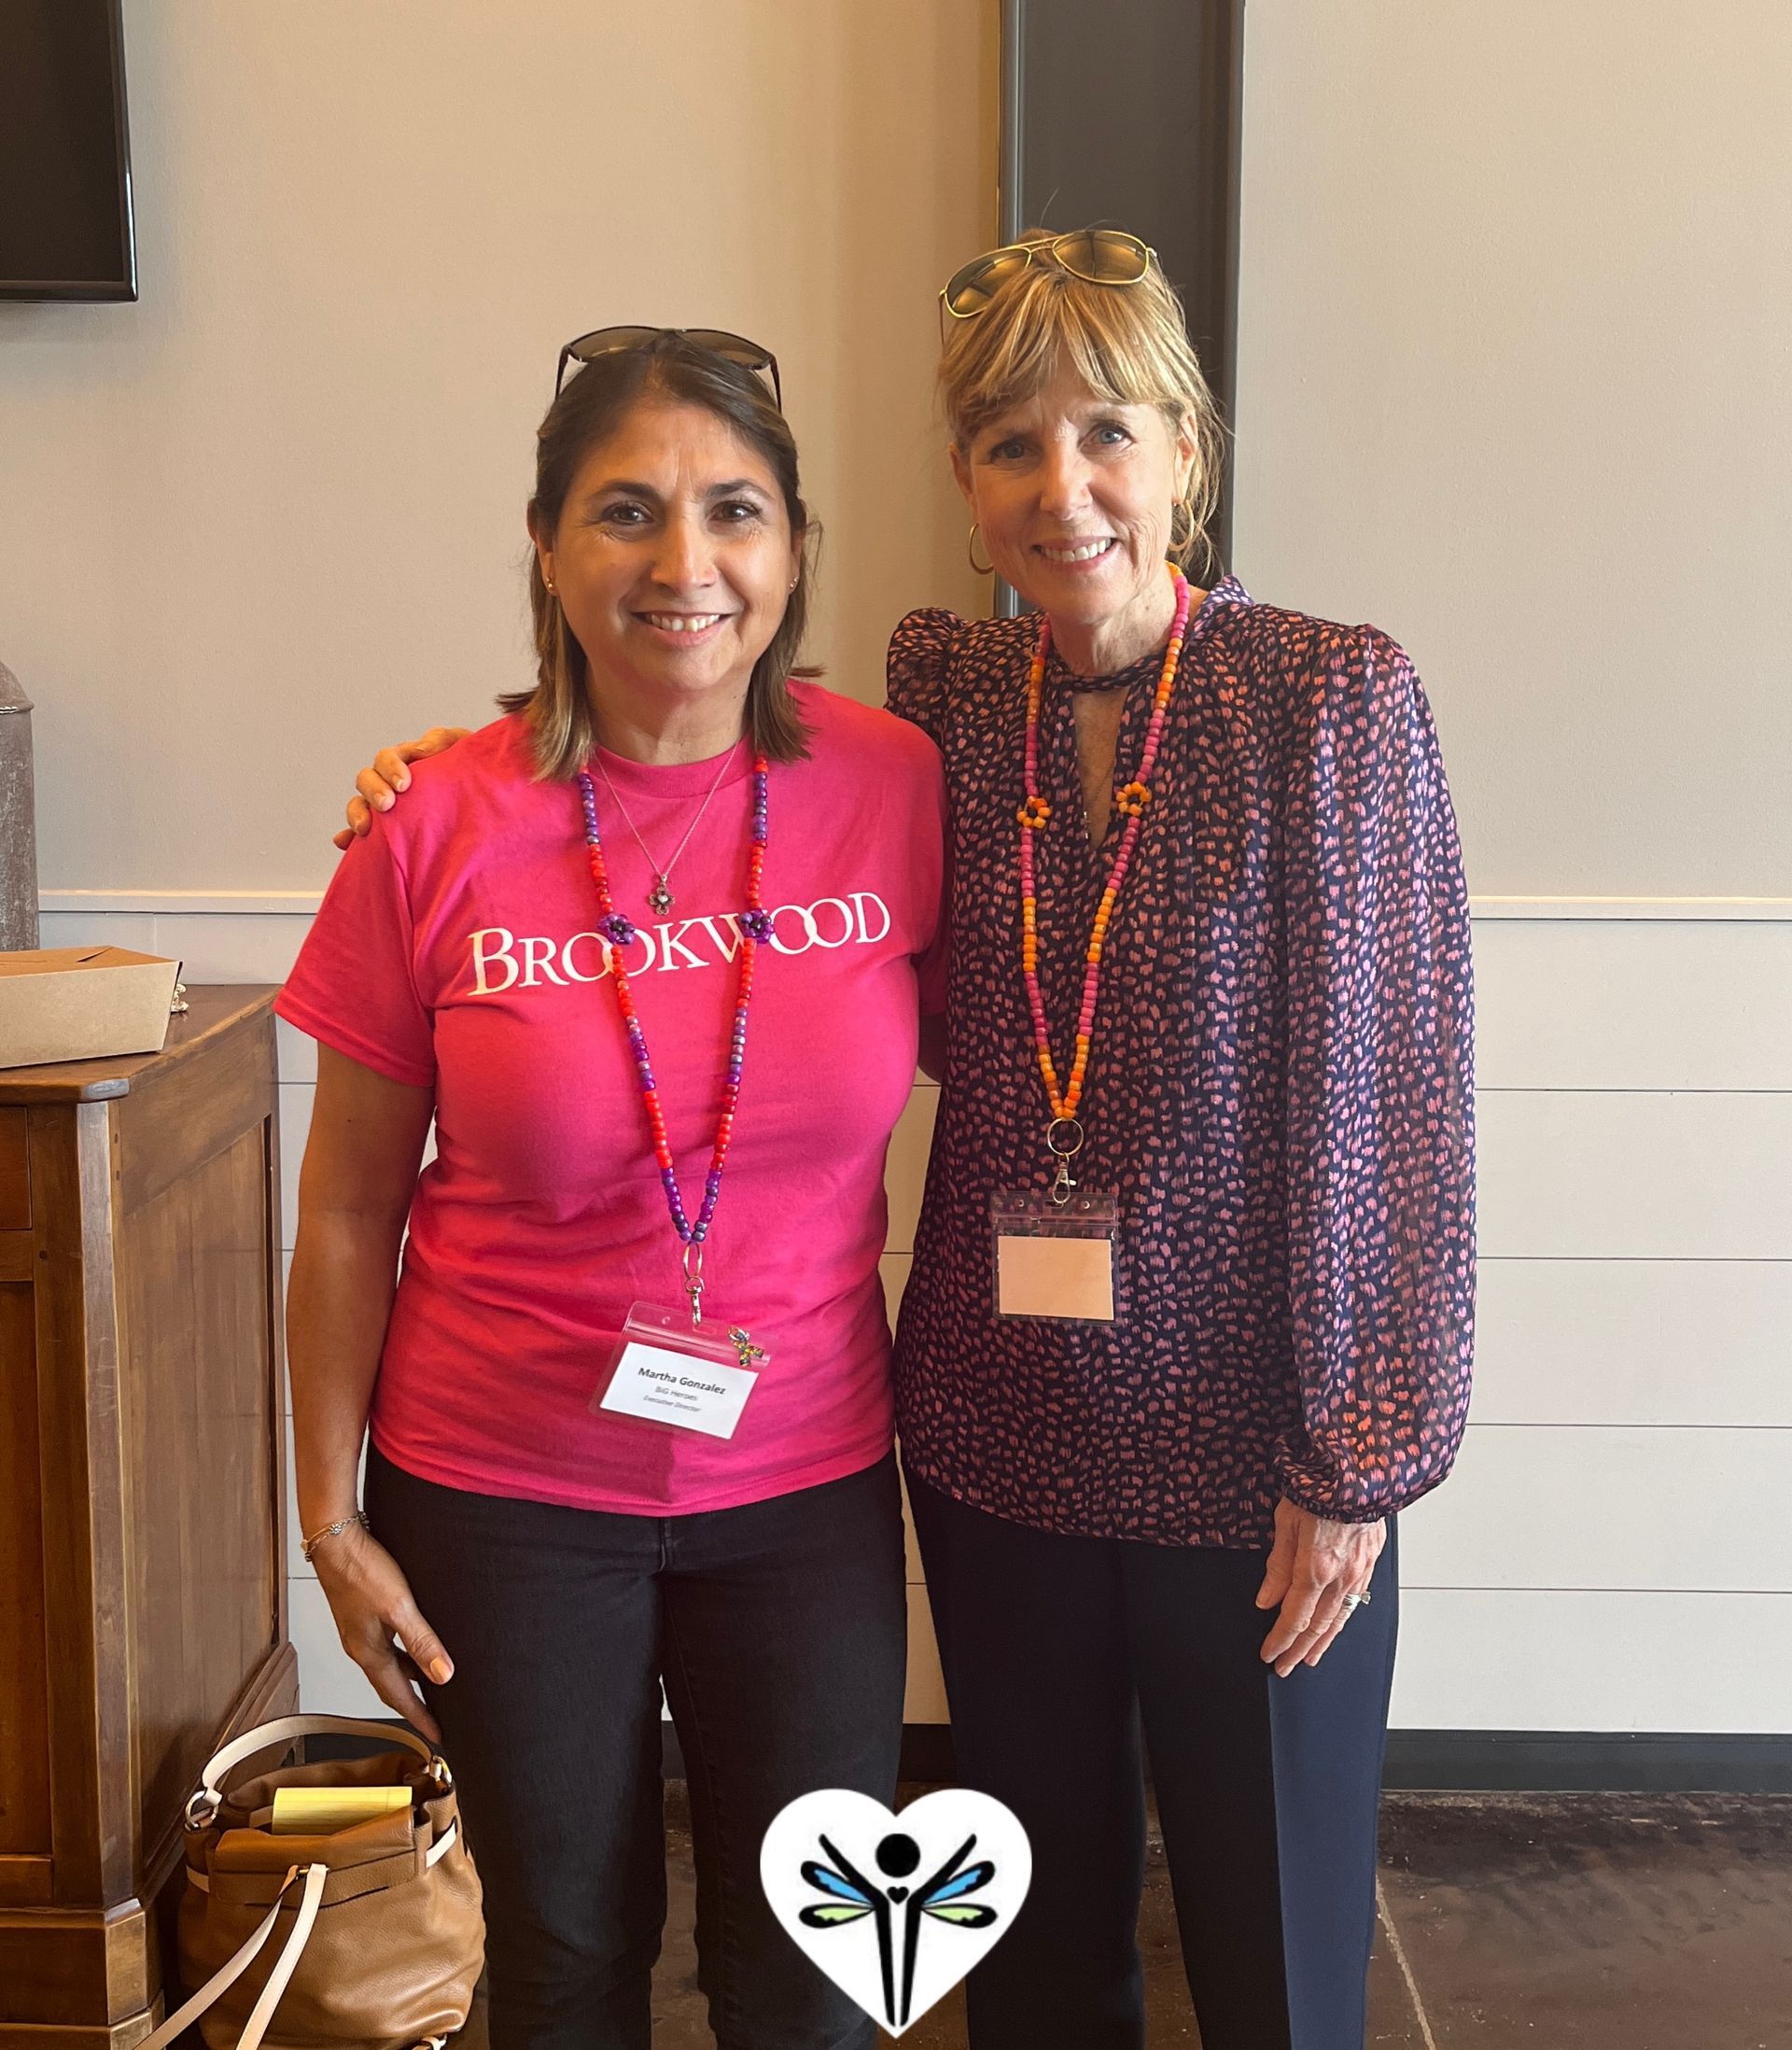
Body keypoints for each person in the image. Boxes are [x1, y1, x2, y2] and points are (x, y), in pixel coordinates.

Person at [340, 231, 1475, 2050]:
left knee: (1277, 1964)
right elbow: (692, 752)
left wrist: (1362, 1452)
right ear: (963, 482)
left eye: (1107, 431)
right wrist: (471, 758)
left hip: (1248, 1443)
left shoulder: (1323, 704)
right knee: (1027, 1954)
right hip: (996, 1433)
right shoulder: (947, 694)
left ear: (1188, 446)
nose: (1065, 487)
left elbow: (1399, 1109)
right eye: (1012, 443)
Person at [278, 327, 946, 2050]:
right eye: (625, 511)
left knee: (807, 1978)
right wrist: (328, 1516)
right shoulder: (435, 820)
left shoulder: (896, 787)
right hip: (500, 1497)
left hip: (800, 1489)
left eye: (734, 510)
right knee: (564, 1965)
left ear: (794, 550)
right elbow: (349, 1200)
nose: (684, 561)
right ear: (548, 547)